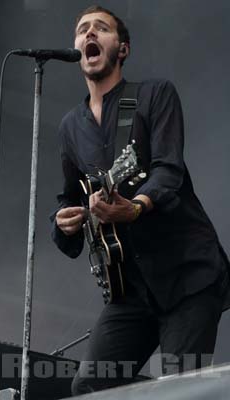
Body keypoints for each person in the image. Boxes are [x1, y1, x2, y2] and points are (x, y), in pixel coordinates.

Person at [51, 5, 230, 395]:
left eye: (101, 28)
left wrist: (134, 208)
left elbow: (169, 169)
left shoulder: (154, 95)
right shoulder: (70, 127)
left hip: (187, 277)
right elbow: (71, 196)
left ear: (123, 48)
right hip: (128, 287)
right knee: (89, 387)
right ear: (77, 48)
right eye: (83, 30)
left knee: (180, 389)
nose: (89, 34)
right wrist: (63, 222)